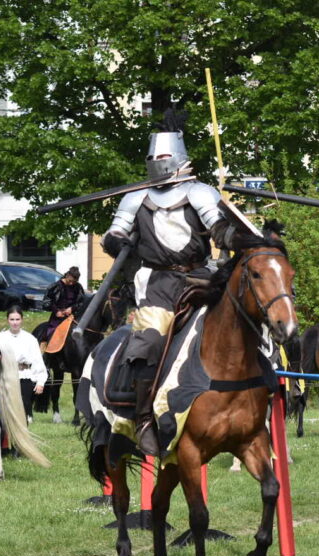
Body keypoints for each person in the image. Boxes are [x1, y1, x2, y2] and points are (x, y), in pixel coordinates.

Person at [100, 108, 237, 457]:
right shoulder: (136, 198)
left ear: (177, 156)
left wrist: (229, 234)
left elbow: (218, 228)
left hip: (200, 279)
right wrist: (117, 241)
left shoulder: (200, 193)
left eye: (162, 157)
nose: (157, 163)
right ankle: (144, 419)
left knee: (237, 323)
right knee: (149, 341)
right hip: (157, 284)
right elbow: (113, 235)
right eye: (153, 158)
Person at [0, 305, 47, 423]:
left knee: (23, 412)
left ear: (22, 320)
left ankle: (20, 435)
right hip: (6, 377)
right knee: (3, 414)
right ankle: (2, 435)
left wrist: (40, 381)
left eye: (17, 319)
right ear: (7, 320)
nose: (15, 322)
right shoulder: (0, 338)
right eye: (12, 319)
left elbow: (37, 361)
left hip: (24, 377)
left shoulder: (30, 339)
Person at [40, 266, 85, 352]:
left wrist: (72, 308)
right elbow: (47, 302)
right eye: (70, 281)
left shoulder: (78, 287)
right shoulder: (55, 286)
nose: (71, 284)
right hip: (57, 316)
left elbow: (81, 302)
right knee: (51, 332)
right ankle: (46, 349)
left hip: (72, 315)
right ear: (67, 275)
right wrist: (56, 311)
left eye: (74, 282)